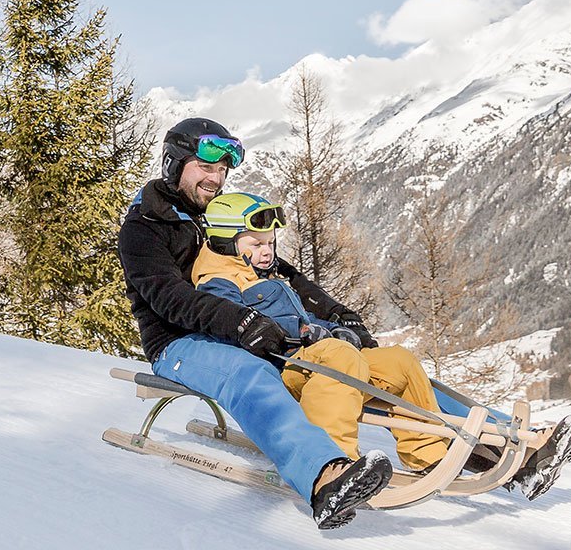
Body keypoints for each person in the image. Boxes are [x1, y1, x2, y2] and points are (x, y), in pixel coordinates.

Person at [118, 117, 391, 529]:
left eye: (222, 170)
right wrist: (240, 321)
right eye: (205, 168)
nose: (216, 178)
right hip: (179, 343)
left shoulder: (217, 219)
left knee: (377, 363)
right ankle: (323, 478)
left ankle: (485, 445)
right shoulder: (144, 227)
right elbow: (167, 297)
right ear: (174, 165)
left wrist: (338, 315)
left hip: (238, 331)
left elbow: (286, 275)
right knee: (252, 376)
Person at [194, 191, 458, 474]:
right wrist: (305, 333)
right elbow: (233, 326)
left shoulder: (264, 274)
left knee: (398, 361)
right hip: (281, 367)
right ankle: (331, 462)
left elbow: (304, 318)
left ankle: (427, 454)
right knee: (339, 356)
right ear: (225, 242)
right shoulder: (217, 283)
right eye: (256, 243)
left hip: (315, 359)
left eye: (270, 242)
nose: (267, 251)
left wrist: (336, 329)